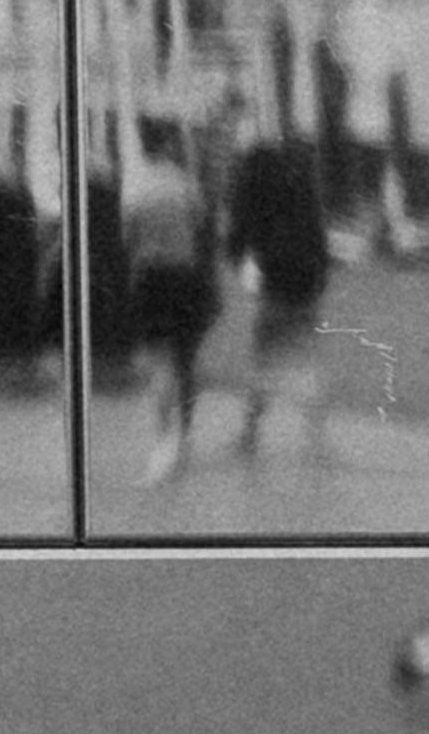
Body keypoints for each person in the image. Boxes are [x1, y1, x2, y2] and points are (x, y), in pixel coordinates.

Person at [223, 104, 336, 467]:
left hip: (275, 280)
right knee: (306, 355)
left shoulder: (254, 183)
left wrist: (240, 263)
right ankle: (317, 440)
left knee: (264, 356)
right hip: (307, 280)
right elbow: (319, 235)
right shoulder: (300, 181)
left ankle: (249, 433)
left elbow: (237, 238)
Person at [120, 115, 219, 487]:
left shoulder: (137, 188)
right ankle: (185, 434)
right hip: (185, 276)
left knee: (160, 360)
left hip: (151, 277)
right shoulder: (185, 185)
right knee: (186, 358)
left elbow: (127, 238)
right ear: (168, 145)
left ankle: (165, 438)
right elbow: (201, 229)